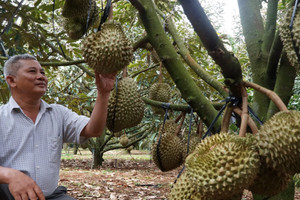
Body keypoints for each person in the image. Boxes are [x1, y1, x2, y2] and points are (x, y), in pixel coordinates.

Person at [0, 54, 116, 200]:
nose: (41, 76)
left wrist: (104, 93)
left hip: (50, 196)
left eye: (42, 72)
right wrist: (9, 175)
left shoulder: (58, 113)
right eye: (32, 71)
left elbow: (94, 130)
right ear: (11, 80)